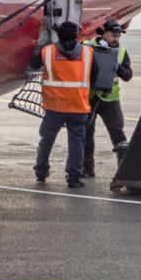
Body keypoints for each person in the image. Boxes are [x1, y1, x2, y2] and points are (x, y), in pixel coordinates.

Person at [33, 20, 93, 188]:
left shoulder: (47, 52)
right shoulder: (88, 53)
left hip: (54, 106)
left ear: (58, 34)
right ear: (77, 35)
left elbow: (33, 65)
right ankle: (73, 178)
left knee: (47, 139)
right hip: (78, 105)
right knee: (77, 143)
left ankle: (41, 171)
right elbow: (94, 76)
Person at [84, 19, 133, 178]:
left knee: (118, 134)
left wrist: (118, 68)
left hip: (110, 99)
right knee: (86, 134)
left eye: (118, 36)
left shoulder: (121, 52)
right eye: (113, 35)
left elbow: (128, 76)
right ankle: (87, 168)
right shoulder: (88, 47)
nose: (116, 39)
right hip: (90, 97)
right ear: (103, 33)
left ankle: (124, 170)